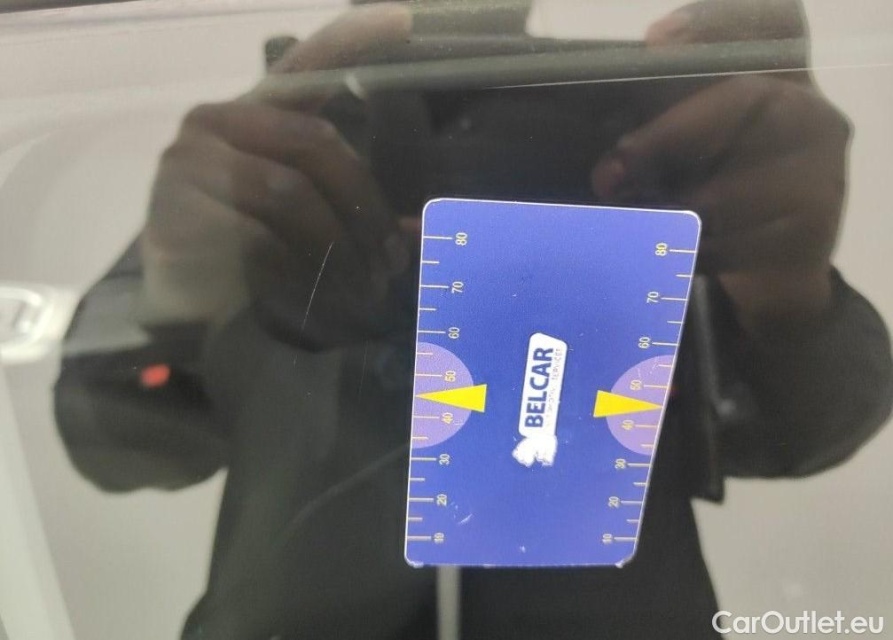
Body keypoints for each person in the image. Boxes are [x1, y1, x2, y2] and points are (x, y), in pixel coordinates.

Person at [53, 1, 893, 638]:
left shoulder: (272, 151)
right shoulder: (270, 150)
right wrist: (170, 303)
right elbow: (112, 444)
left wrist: (784, 289)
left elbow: (798, 434)